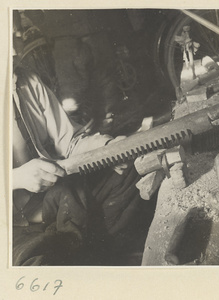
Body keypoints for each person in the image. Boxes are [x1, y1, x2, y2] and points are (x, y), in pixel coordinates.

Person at [12, 14, 142, 266]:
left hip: (55, 200)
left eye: (16, 35)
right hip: (11, 223)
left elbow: (69, 141)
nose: (12, 48)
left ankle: (90, 254)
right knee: (36, 265)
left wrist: (106, 148)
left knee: (129, 173)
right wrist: (16, 179)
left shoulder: (27, 80)